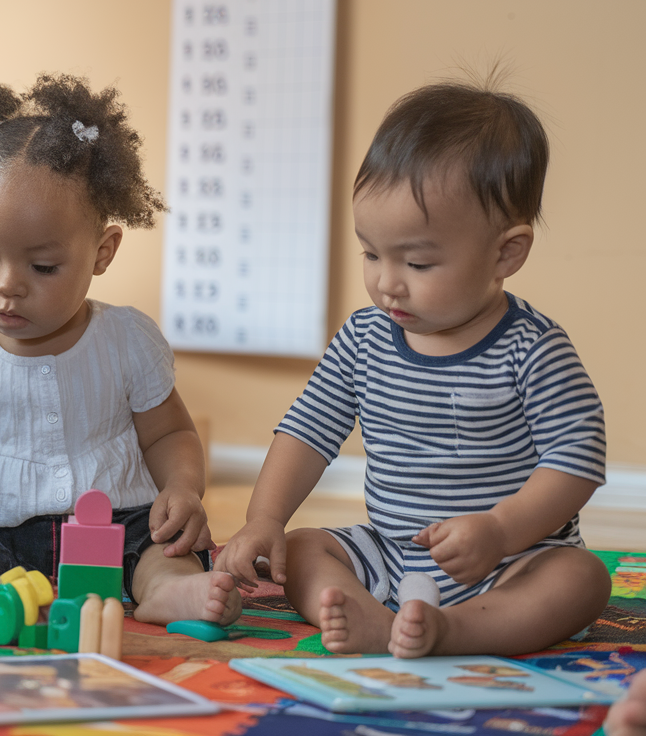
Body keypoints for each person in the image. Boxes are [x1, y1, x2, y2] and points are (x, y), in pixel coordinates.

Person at [215, 80, 610, 657]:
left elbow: (577, 462)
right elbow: (306, 432)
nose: (386, 282)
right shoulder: (364, 337)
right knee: (302, 549)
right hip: (394, 552)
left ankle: (457, 631)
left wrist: (500, 530)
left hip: (510, 560)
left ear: (506, 253)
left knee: (581, 580)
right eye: (372, 253)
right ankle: (371, 616)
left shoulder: (533, 348)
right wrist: (263, 517)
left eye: (418, 261)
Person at [0, 74, 242, 626]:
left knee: (163, 545)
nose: (7, 285)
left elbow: (170, 433)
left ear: (102, 252)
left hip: (112, 526)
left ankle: (168, 591)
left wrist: (183, 488)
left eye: (42, 267)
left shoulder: (128, 341)